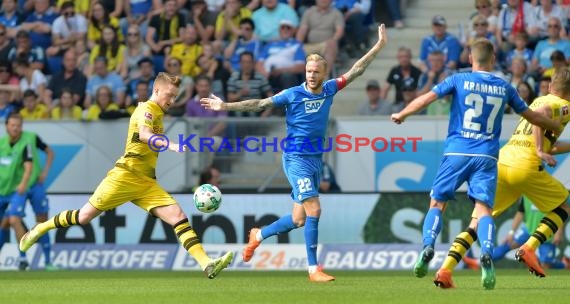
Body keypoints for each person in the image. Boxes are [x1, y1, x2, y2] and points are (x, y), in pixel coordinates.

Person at [201, 24, 388, 282]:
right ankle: (313, 269)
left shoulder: (330, 89)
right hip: (296, 158)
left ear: (325, 73)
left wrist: (378, 45)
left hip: (314, 161)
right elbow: (259, 104)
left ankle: (258, 235)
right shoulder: (292, 94)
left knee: (298, 219)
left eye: (316, 72)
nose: (311, 75)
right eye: (308, 71)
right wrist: (224, 105)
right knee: (314, 208)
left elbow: (357, 70)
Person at [19, 72, 234, 278]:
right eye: (169, 95)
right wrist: (171, 144)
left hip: (146, 181)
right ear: (156, 90)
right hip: (125, 175)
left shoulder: (156, 111)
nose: (171, 100)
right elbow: (145, 135)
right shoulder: (146, 110)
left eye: (175, 96)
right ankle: (40, 228)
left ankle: (207, 264)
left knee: (178, 217)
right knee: (83, 217)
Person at [390, 38, 563, 290]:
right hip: (487, 158)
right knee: (483, 210)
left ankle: (428, 246)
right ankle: (487, 255)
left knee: (438, 203)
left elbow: (427, 98)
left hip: (456, 153)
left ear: (470, 58)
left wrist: (403, 113)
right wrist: (554, 126)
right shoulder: (505, 86)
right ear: (493, 59)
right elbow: (532, 116)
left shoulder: (457, 80)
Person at [432, 68, 570, 288]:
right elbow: (543, 118)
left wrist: (545, 148)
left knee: (477, 220)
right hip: (525, 166)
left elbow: (549, 143)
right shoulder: (562, 106)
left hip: (503, 162)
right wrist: (539, 150)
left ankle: (445, 270)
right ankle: (529, 248)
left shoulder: (539, 100)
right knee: (564, 206)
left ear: (551, 86)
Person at [463, 197, 570, 270]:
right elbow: (520, 213)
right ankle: (479, 262)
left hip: (547, 231)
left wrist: (559, 231)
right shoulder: (526, 194)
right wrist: (511, 232)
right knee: (507, 244)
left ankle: (564, 264)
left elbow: (559, 212)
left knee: (546, 263)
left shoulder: (547, 191)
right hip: (528, 229)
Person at [0, 113, 34, 270]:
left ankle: (22, 258)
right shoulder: (1, 144)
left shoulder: (25, 144)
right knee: (3, 225)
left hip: (16, 192)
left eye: (18, 125)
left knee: (14, 220)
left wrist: (23, 184)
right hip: (1, 190)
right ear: (7, 126)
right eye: (12, 125)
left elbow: (28, 167)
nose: (15, 128)